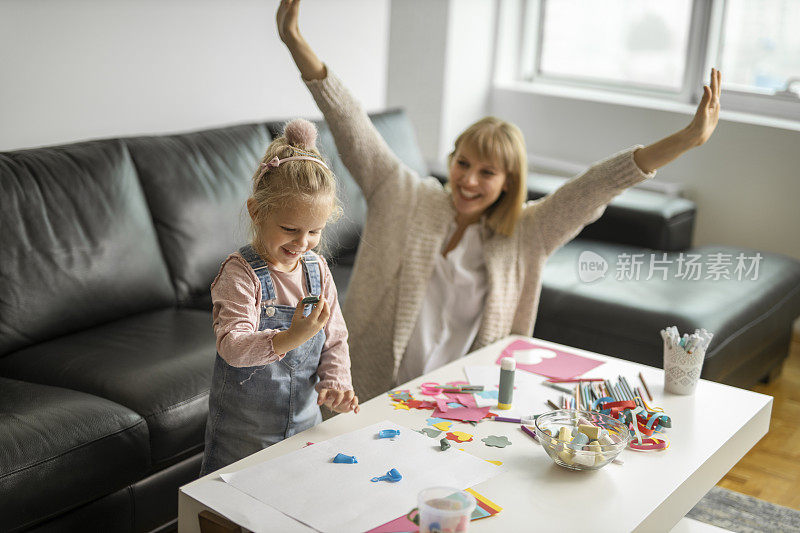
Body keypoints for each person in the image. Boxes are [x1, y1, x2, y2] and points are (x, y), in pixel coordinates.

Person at [276, 0, 721, 401]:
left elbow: (597, 186)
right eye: (462, 163)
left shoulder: (530, 232)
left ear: (508, 182)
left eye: (487, 172)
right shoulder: (402, 194)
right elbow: (349, 120)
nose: (469, 180)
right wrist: (296, 41)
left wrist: (686, 139)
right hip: (368, 393)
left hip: (460, 405)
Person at [200, 118, 359, 476]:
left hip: (306, 424)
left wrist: (336, 381)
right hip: (243, 438)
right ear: (257, 212)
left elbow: (335, 340)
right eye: (289, 229)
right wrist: (290, 337)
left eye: (314, 231)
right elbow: (233, 345)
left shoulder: (317, 270)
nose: (301, 243)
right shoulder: (240, 274)